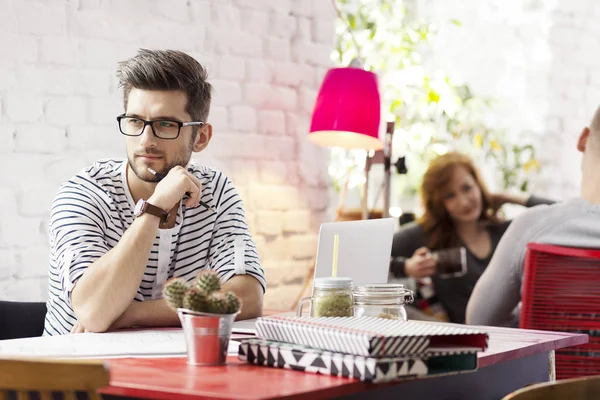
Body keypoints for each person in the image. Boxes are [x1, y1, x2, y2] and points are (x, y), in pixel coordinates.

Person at [43, 49, 265, 336]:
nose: (146, 141)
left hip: (171, 372)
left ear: (201, 137)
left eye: (165, 125)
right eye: (135, 121)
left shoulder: (216, 192)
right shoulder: (83, 194)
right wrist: (155, 206)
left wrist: (129, 315)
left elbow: (247, 297)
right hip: (75, 375)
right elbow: (95, 313)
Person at [467, 107, 600, 327]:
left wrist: (543, 313)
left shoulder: (532, 230)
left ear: (583, 139)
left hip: (551, 362)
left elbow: (479, 323)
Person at [390, 152, 553, 324]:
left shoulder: (504, 232)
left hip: (513, 339)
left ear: (479, 186)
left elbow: (566, 215)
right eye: (449, 196)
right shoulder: (426, 235)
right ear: (439, 203)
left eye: (467, 188)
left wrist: (509, 197)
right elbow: (370, 258)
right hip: (460, 343)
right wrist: (406, 267)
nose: (464, 202)